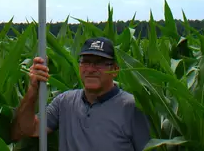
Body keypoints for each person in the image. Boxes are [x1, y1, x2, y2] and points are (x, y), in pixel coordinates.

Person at [11, 36, 151, 150]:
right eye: (86, 62)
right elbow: (26, 130)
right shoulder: (64, 102)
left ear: (115, 70)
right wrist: (33, 89)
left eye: (99, 63)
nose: (90, 69)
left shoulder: (133, 107)